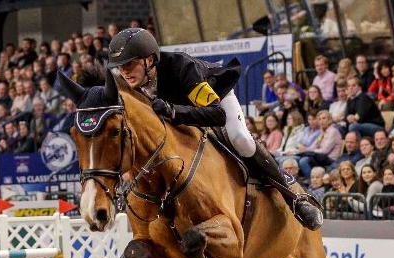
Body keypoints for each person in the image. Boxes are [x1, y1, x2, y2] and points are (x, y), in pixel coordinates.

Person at [103, 27, 323, 229]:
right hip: (182, 115)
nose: (124, 71)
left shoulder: (181, 68)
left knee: (241, 140)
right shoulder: (129, 86)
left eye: (129, 64)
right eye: (120, 67)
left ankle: (294, 199)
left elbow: (216, 115)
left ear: (149, 60)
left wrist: (173, 111)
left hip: (216, 100)